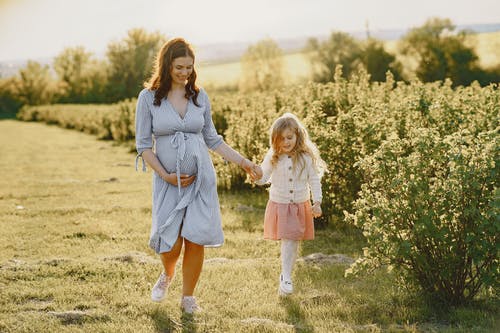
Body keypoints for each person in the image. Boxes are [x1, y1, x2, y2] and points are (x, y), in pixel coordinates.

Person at [135, 37, 261, 313]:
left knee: (195, 238)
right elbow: (144, 146)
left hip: (201, 180)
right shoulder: (148, 99)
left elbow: (213, 139)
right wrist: (166, 175)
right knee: (171, 241)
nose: (184, 73)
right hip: (168, 182)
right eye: (179, 67)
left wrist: (245, 163)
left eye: (189, 68)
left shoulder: (199, 96)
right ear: (166, 65)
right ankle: (167, 275)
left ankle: (188, 297)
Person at [254, 112, 326, 296]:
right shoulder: (273, 156)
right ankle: (286, 276)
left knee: (292, 240)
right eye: (281, 139)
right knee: (288, 239)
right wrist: (255, 175)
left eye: (289, 137)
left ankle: (285, 276)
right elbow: (263, 177)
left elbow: (314, 180)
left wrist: (317, 202)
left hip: (300, 204)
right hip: (280, 204)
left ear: (297, 136)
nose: (286, 142)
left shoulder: (306, 157)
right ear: (274, 140)